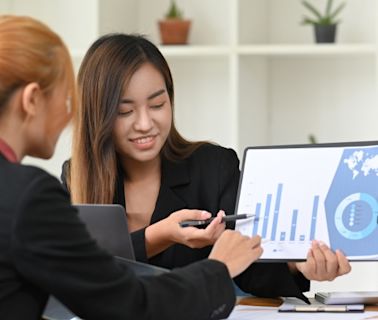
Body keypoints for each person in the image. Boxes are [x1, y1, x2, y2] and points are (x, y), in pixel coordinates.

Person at [0, 15, 265, 320]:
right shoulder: (30, 194)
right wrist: (216, 268)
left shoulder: (214, 165)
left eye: (156, 105)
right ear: (32, 99)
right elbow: (128, 303)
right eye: (66, 98)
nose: (69, 115)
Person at [62, 33, 351, 301]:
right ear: (98, 115)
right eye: (125, 111)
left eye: (157, 105)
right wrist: (158, 235)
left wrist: (298, 265)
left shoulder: (213, 167)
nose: (145, 124)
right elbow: (81, 274)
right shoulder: (76, 177)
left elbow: (251, 269)